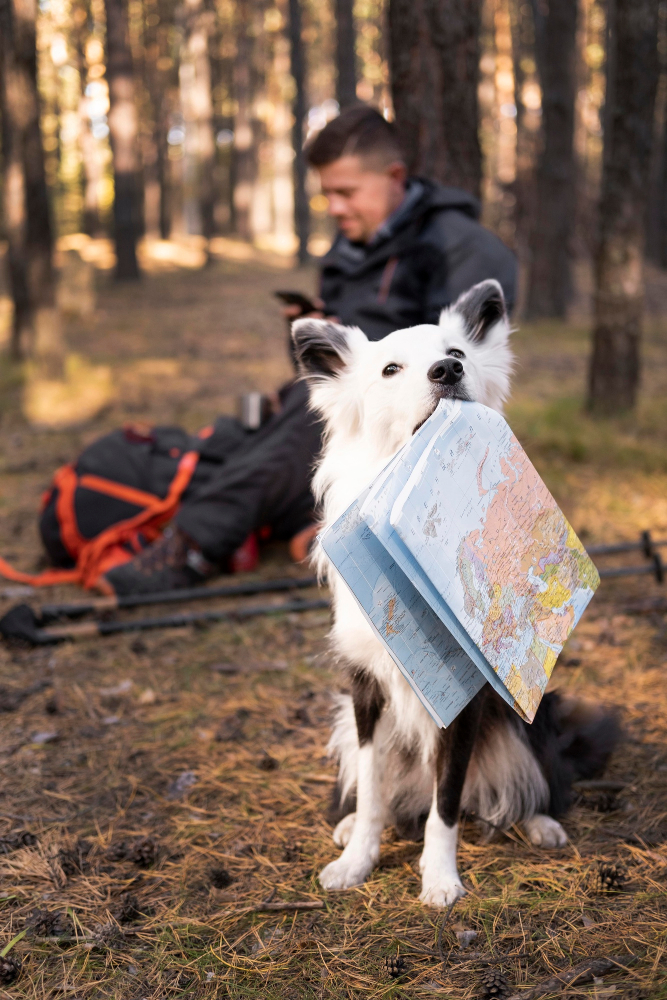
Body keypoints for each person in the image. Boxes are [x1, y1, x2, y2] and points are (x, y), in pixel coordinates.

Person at [101, 105, 517, 596]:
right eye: (327, 196)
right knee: (243, 433)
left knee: (296, 428)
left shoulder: (462, 247)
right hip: (359, 413)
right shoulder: (345, 253)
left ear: (394, 176)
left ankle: (191, 546)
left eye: (346, 192)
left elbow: (460, 366)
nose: (336, 208)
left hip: (417, 425)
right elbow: (332, 379)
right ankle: (289, 514)